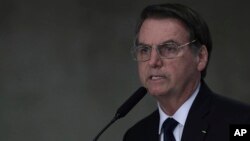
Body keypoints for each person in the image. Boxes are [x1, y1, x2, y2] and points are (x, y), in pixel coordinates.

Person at [123, 3, 250, 141]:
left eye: (169, 48)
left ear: (200, 57)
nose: (153, 62)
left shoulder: (241, 123)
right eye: (145, 50)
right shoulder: (135, 136)